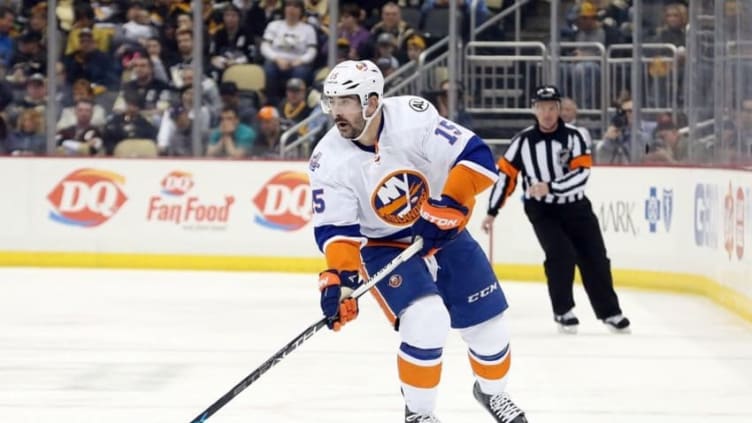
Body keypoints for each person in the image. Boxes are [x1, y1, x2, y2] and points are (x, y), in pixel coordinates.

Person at [308, 60, 528, 423]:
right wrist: (341, 281)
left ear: (372, 101)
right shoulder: (326, 160)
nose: (336, 112)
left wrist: (453, 203)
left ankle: (493, 394)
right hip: (384, 246)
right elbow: (337, 231)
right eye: (332, 102)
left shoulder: (414, 117)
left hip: (443, 231)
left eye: (345, 102)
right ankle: (419, 413)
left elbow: (476, 157)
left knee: (489, 328)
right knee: (426, 318)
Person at [481, 85, 630, 334]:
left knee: (595, 257)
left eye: (552, 108)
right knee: (560, 254)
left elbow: (582, 174)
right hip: (542, 211)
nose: (547, 113)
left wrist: (550, 187)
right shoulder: (523, 142)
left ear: (559, 109)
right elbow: (506, 177)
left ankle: (610, 312)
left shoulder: (575, 136)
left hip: (576, 207)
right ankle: (563, 310)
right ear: (534, 110)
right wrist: (492, 211)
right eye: (542, 108)